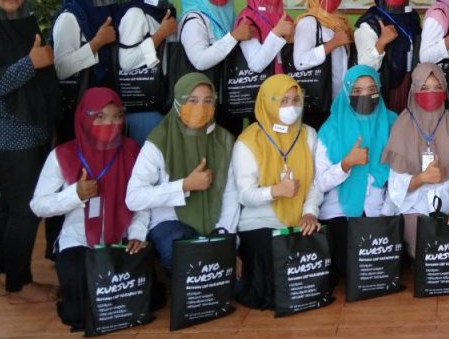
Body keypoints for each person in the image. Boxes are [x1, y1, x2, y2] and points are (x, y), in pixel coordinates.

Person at [30, 88, 147, 332]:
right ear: (84, 118)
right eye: (100, 117)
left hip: (121, 239)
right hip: (78, 238)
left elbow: (143, 200)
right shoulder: (63, 155)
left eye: (116, 116)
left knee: (140, 293)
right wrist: (75, 194)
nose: (110, 124)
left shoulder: (131, 150)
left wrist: (137, 233)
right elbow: (38, 205)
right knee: (80, 293)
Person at [0, 0, 58, 303]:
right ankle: (18, 283)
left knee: (12, 206)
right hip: (0, 137)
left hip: (27, 131)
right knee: (27, 207)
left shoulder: (22, 23)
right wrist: (30, 64)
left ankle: (5, 274)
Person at [125, 72, 238, 274]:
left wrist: (226, 240)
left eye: (207, 101)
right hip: (171, 222)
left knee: (235, 282)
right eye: (192, 100)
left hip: (215, 225)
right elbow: (134, 198)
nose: (200, 108)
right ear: (178, 102)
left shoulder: (224, 140)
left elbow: (231, 195)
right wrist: (184, 186)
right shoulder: (159, 141)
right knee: (184, 255)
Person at [231, 75, 322, 309]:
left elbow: (315, 184)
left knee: (312, 267)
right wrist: (275, 191)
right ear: (267, 102)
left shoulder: (308, 134)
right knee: (274, 271)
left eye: (295, 99)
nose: (291, 106)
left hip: (298, 220)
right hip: (259, 222)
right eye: (283, 100)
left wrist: (310, 213)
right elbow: (245, 195)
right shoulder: (248, 141)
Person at [314, 65, 396, 281]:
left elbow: (399, 177)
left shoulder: (392, 122)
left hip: (379, 208)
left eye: (371, 89)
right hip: (339, 210)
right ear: (346, 92)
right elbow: (319, 183)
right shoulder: (330, 129)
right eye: (357, 91)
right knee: (350, 267)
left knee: (378, 267)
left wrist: (387, 213)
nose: (365, 96)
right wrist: (345, 164)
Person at [382, 63, 449, 257]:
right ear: (414, 90)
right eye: (424, 88)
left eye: (437, 87)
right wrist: (421, 178)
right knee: (429, 255)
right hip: (414, 206)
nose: (431, 93)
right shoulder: (402, 125)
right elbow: (396, 184)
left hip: (448, 204)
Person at [177, 0, 251, 134]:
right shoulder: (194, 19)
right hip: (204, 102)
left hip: (226, 99)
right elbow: (199, 60)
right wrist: (233, 37)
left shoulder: (227, 14)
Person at [52, 0, 122, 140]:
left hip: (110, 105)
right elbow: (60, 68)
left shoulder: (112, 11)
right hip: (82, 110)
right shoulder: (69, 17)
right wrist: (96, 43)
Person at [117, 0, 178, 144]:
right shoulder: (135, 13)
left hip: (163, 101)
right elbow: (126, 61)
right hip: (143, 108)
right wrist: (160, 34)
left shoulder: (167, 11)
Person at [355, 0, 421, 113]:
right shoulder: (371, 21)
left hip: (411, 81)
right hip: (386, 84)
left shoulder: (411, 17)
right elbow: (365, 66)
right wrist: (381, 43)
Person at [294, 0, 354, 128]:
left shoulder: (341, 22)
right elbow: (300, 62)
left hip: (341, 100)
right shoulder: (308, 22)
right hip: (319, 101)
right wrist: (332, 44)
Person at [235, 0, 294, 75]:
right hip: (264, 84)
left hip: (286, 83)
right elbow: (256, 65)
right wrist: (276, 33)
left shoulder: (284, 17)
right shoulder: (247, 20)